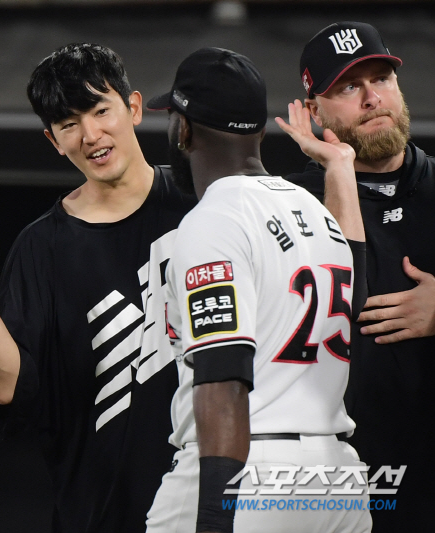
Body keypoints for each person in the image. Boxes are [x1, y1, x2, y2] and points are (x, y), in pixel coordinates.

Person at [0, 43, 197, 533]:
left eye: (100, 111)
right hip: (98, 516)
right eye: (69, 124)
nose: (91, 135)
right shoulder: (41, 248)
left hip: (215, 503)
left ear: (132, 107)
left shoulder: (203, 204)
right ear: (53, 140)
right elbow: (5, 386)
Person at [144, 47, 370, 532]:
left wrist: (214, 518)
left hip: (250, 473)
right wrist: (340, 170)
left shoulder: (213, 220)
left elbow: (223, 376)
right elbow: (357, 299)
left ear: (184, 131)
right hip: (336, 479)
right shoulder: (315, 212)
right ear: (260, 131)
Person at [286, 21, 435, 532]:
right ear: (313, 111)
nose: (372, 98)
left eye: (381, 79)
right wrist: (339, 169)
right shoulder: (289, 205)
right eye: (349, 87)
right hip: (337, 481)